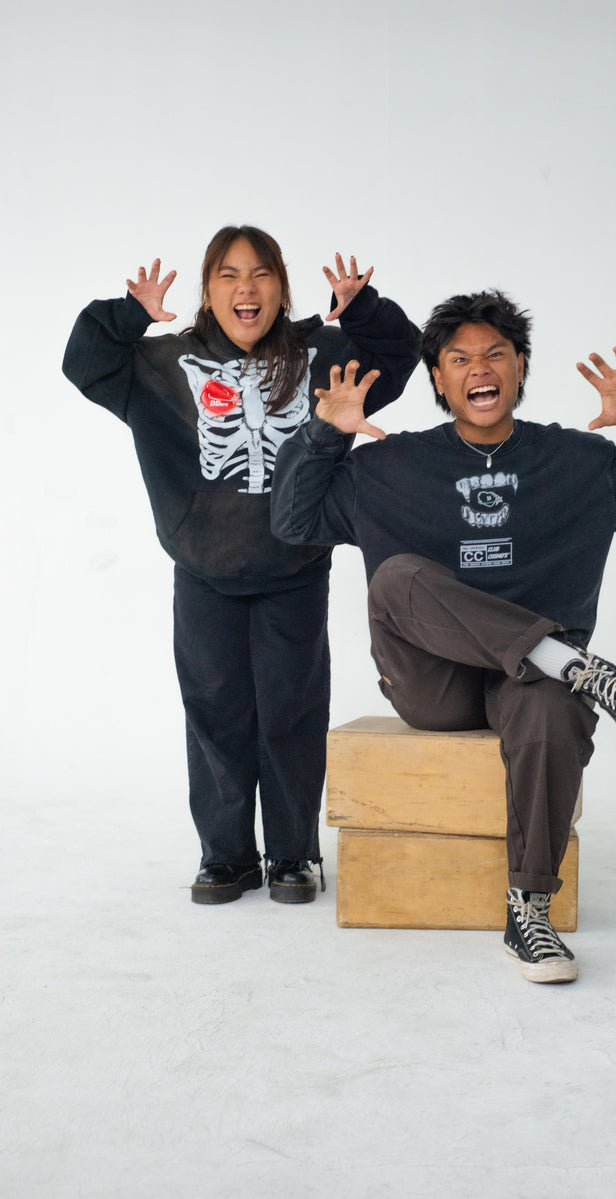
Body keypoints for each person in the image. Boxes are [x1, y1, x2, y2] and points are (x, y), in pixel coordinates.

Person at [270, 289, 616, 983]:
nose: (480, 367)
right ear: (438, 377)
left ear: (521, 367)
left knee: (552, 710)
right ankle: (575, 664)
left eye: (496, 353)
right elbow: (292, 523)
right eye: (460, 357)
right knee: (398, 577)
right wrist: (326, 433)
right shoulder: (390, 466)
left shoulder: (577, 461)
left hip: (526, 687)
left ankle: (528, 912)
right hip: (431, 683)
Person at [62, 226, 421, 906]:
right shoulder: (165, 364)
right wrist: (131, 313)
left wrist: (362, 307)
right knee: (216, 712)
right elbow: (85, 359)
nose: (245, 288)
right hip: (204, 570)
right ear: (207, 291)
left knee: (292, 711)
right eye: (228, 275)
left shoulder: (323, 355)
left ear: (282, 289)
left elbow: (403, 354)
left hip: (295, 568)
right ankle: (225, 855)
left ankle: (293, 855)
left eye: (260, 275)